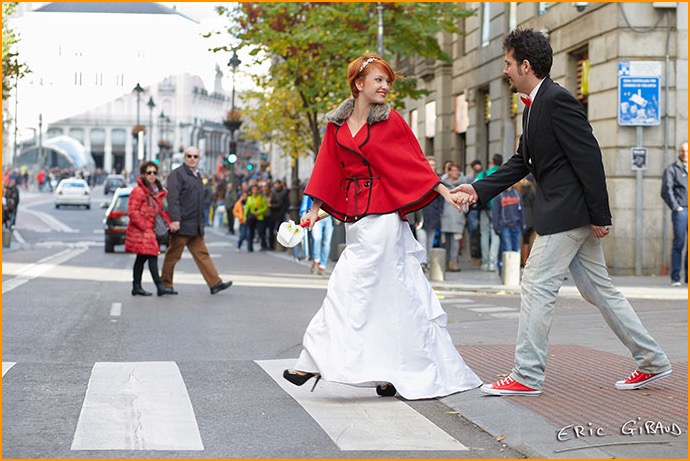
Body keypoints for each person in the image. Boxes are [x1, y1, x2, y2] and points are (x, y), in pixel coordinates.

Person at [453, 28, 672, 396]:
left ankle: (527, 375)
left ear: (525, 65)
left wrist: (601, 215)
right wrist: (477, 189)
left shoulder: (557, 100)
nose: (505, 71)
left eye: (508, 64)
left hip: (567, 215)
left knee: (536, 285)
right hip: (569, 214)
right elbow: (522, 161)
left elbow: (589, 157)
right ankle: (652, 360)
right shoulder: (534, 104)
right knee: (600, 291)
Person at [283, 53, 482, 400]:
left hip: (385, 219)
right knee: (388, 296)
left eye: (388, 81)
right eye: (379, 80)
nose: (386, 86)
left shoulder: (391, 122)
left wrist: (444, 192)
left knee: (347, 287)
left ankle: (310, 361)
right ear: (359, 84)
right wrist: (315, 210)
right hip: (356, 221)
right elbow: (327, 170)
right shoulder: (336, 126)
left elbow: (414, 164)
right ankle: (389, 371)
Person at [161, 146, 233, 295]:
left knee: (202, 254)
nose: (192, 159)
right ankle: (165, 284)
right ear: (184, 158)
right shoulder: (177, 175)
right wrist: (175, 219)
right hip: (182, 223)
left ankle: (215, 283)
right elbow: (172, 198)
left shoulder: (197, 175)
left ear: (199, 158)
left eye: (195, 156)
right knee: (173, 255)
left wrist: (201, 223)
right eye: (189, 156)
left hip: (195, 225)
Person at [124, 161, 175, 297]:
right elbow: (132, 211)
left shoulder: (156, 192)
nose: (152, 175)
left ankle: (137, 287)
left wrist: (168, 223)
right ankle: (159, 286)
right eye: (149, 173)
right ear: (143, 174)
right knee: (152, 256)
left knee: (141, 259)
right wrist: (144, 226)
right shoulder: (139, 191)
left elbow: (160, 211)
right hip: (143, 231)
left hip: (150, 230)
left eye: (154, 173)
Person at [661, 141, 688, 287]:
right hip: (681, 211)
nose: (685, 153)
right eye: (682, 151)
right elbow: (666, 189)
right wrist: (675, 206)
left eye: (687, 151)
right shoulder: (672, 169)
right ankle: (676, 277)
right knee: (679, 243)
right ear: (679, 152)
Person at [475, 154, 502, 271]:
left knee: (484, 234)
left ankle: (485, 262)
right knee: (495, 234)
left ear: (491, 162)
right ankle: (493, 261)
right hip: (500, 209)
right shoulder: (503, 173)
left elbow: (474, 185)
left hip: (485, 208)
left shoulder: (483, 174)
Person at [491, 183, 525, 275]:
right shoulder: (499, 195)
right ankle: (503, 271)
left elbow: (521, 211)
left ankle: (513, 272)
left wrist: (523, 225)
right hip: (504, 226)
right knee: (507, 249)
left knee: (516, 250)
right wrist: (496, 227)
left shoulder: (517, 194)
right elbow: (495, 213)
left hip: (516, 226)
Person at [440, 163, 467, 272]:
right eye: (454, 170)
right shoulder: (443, 185)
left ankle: (453, 262)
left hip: (457, 216)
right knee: (445, 242)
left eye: (457, 170)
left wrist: (464, 211)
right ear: (449, 172)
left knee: (455, 242)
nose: (456, 173)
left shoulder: (463, 185)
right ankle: (445, 262)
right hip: (445, 217)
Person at [300, 193, 333, 276]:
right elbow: (306, 197)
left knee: (327, 241)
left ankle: (322, 265)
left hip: (328, 215)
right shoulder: (313, 181)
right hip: (315, 214)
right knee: (317, 238)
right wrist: (303, 213)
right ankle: (316, 260)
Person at [244, 184, 268, 252]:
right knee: (250, 233)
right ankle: (250, 247)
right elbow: (247, 208)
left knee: (261, 232)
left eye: (256, 189)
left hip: (259, 217)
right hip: (251, 217)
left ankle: (263, 245)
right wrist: (245, 217)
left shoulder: (261, 198)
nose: (255, 191)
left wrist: (259, 212)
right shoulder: (249, 198)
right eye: (253, 189)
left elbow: (265, 207)